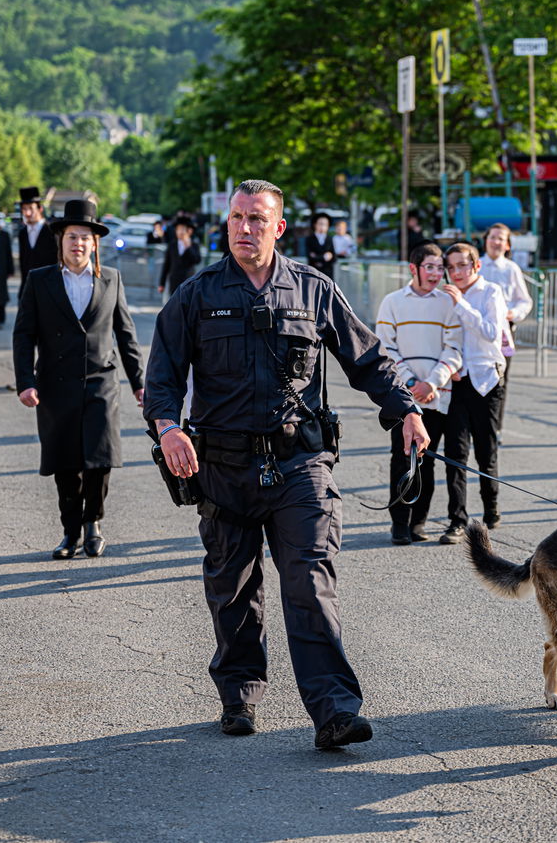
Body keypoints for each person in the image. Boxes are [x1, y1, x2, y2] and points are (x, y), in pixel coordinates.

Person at [145, 179, 427, 749]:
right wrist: (169, 428)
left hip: (300, 465)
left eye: (257, 219)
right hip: (223, 469)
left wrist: (406, 412)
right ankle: (240, 693)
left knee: (310, 581)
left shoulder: (313, 290)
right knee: (232, 586)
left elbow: (368, 360)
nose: (245, 228)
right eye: (238, 218)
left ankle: (334, 711)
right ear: (227, 223)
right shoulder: (196, 294)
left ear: (279, 228)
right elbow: (162, 377)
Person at [15, 199, 145, 560]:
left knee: (100, 459)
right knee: (65, 462)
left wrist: (139, 383)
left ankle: (93, 524)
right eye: (72, 236)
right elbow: (23, 335)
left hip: (101, 382)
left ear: (95, 243)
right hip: (55, 385)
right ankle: (70, 531)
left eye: (85, 237)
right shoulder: (40, 281)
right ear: (61, 240)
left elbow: (126, 333)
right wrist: (26, 381)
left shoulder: (111, 278)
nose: (78, 244)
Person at [375, 242, 463, 545]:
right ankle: (399, 524)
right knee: (401, 458)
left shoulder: (448, 302)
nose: (436, 273)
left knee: (427, 459)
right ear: (414, 268)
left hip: (437, 394)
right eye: (430, 267)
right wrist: (412, 382)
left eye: (441, 268)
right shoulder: (393, 301)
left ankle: (419, 522)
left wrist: (432, 383)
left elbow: (455, 347)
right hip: (403, 395)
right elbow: (385, 347)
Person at [439, 241, 509, 540]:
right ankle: (457, 518)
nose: (456, 272)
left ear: (476, 265)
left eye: (461, 266)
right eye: (450, 267)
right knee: (455, 451)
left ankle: (491, 508)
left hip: (486, 380)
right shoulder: (445, 295)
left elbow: (492, 333)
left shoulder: (490, 292)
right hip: (455, 379)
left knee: (485, 449)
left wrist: (461, 305)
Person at [479, 223, 533, 432]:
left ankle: (495, 428)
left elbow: (524, 300)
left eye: (501, 238)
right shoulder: (477, 266)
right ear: (486, 240)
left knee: (500, 380)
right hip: (478, 329)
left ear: (508, 245)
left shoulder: (511, 269)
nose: (496, 242)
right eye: (493, 237)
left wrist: (513, 313)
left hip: (503, 331)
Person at [17, 186, 58, 293]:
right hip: (27, 288)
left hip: (48, 288)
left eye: (31, 208)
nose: (27, 213)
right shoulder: (22, 233)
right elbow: (23, 263)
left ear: (40, 209)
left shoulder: (52, 231)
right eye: (24, 209)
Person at [159, 217, 201, 297]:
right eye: (178, 229)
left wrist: (188, 247)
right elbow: (166, 265)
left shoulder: (194, 245)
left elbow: (197, 260)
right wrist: (162, 283)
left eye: (182, 229)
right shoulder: (172, 245)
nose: (180, 232)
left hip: (188, 280)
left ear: (189, 231)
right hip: (174, 281)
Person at [305, 212, 337, 278]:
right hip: (313, 273)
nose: (323, 226)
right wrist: (324, 257)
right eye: (320, 224)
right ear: (315, 224)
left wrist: (317, 257)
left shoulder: (330, 239)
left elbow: (334, 257)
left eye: (325, 224)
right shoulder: (310, 239)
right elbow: (309, 256)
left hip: (328, 274)